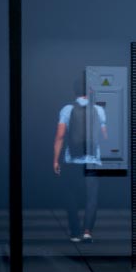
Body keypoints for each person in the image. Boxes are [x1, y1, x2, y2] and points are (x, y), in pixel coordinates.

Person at [53, 78, 107, 242]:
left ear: (74, 91)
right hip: (92, 160)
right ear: (90, 91)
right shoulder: (99, 109)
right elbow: (105, 138)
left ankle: (75, 233)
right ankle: (87, 232)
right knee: (92, 197)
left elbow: (60, 136)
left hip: (72, 160)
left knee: (71, 196)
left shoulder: (67, 109)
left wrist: (56, 160)